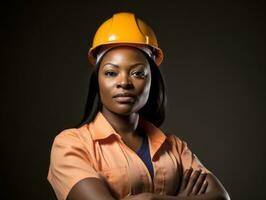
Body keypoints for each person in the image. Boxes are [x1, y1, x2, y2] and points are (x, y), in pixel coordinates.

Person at [47, 12, 230, 200]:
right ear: (97, 81)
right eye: (111, 73)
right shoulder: (71, 145)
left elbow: (221, 197)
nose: (124, 82)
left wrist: (151, 199)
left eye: (137, 73)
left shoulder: (174, 147)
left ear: (152, 82)